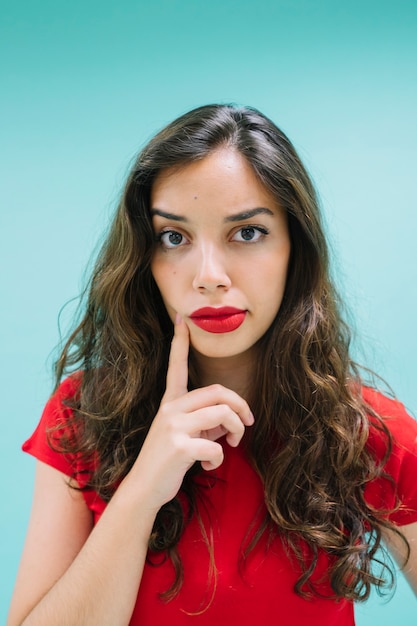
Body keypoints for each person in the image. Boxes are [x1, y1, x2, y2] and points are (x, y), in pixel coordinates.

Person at [7, 104, 417, 626]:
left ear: (296, 247)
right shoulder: (84, 414)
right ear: (144, 257)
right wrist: (139, 494)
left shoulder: (366, 432)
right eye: (174, 237)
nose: (209, 276)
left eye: (247, 232)